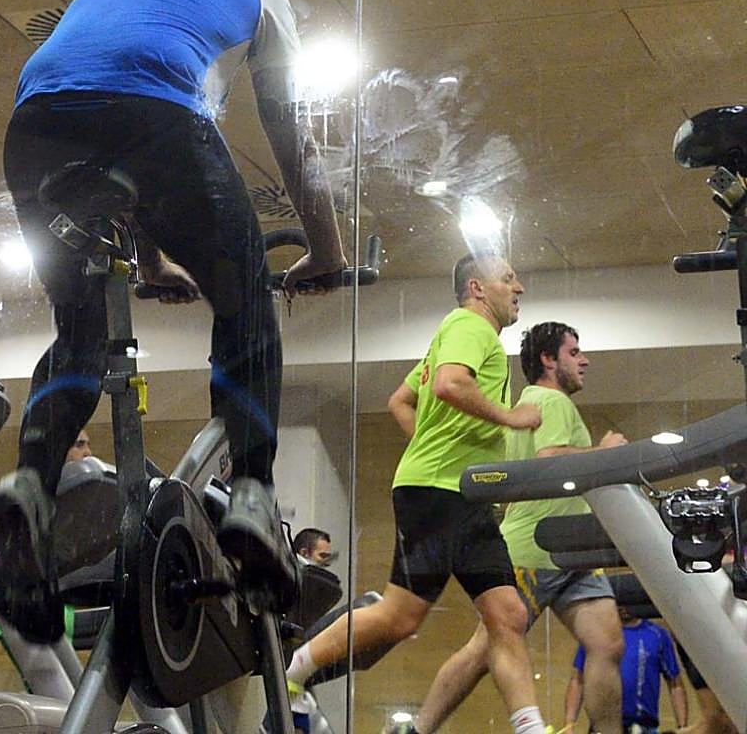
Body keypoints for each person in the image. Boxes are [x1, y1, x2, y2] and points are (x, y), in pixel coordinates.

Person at [0, 0, 347, 644]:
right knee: (244, 306)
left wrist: (149, 262)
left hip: (37, 126)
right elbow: (287, 132)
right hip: (151, 114)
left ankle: (29, 483)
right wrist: (326, 250)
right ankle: (253, 495)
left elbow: (122, 163)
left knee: (78, 327)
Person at [286, 253, 551, 734]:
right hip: (440, 494)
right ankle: (293, 675)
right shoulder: (472, 329)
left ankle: (531, 727)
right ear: (477, 288)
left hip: (463, 496)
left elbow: (400, 401)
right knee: (399, 618)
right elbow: (451, 385)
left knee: (507, 615)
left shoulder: (454, 334)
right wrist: (511, 417)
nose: (519, 288)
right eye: (508, 278)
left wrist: (432, 447)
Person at [403, 322, 628, 734]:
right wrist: (605, 453)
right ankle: (419, 729)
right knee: (481, 652)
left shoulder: (539, 402)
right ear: (548, 359)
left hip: (572, 552)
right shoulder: (549, 400)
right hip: (534, 549)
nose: (584, 360)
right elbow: (550, 458)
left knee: (608, 643)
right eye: (574, 352)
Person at [565, 612, 687, 733]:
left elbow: (675, 685)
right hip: (602, 727)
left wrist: (682, 727)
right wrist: (569, 725)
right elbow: (578, 680)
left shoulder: (658, 636)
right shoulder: (595, 635)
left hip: (644, 727)